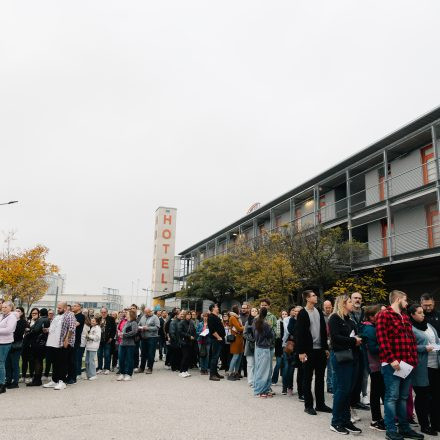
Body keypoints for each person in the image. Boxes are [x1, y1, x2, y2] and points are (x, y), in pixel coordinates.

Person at [376, 290, 423, 440]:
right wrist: (391, 359)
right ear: (397, 299)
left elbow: (411, 340)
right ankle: (391, 430)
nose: (407, 303)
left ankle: (404, 428)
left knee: (403, 397)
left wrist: (414, 360)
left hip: (407, 364)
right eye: (405, 299)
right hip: (392, 364)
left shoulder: (404, 316)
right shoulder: (384, 315)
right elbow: (382, 339)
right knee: (392, 397)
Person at [328, 294, 363, 435]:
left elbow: (356, 335)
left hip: (353, 357)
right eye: (349, 301)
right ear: (343, 303)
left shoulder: (350, 320)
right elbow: (335, 338)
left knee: (349, 390)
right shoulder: (334, 318)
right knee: (342, 390)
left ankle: (346, 420)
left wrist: (359, 339)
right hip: (341, 358)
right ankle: (335, 422)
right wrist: (353, 341)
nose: (352, 303)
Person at [296, 290, 332, 415]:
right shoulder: (302, 313)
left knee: (320, 378)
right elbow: (299, 334)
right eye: (313, 296)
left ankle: (320, 404)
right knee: (307, 378)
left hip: (320, 350)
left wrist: (326, 348)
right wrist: (301, 351)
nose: (315, 297)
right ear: (307, 298)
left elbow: (323, 331)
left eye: (315, 295)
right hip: (308, 351)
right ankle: (308, 405)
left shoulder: (318, 312)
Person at [409, 304, 440, 436]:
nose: (423, 315)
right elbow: (409, 347)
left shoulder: (429, 325)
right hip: (422, 368)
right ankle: (424, 425)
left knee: (436, 397)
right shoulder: (410, 328)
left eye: (423, 312)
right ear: (412, 315)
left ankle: (436, 423)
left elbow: (436, 340)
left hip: (435, 366)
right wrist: (423, 348)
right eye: (420, 312)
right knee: (423, 397)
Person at [361, 305, 386, 432]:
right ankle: (375, 420)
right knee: (376, 392)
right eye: (379, 314)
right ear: (371, 317)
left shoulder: (373, 327)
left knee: (380, 391)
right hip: (374, 365)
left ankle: (379, 418)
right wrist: (387, 345)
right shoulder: (369, 329)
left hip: (378, 365)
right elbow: (373, 349)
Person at [43, 302, 76, 391]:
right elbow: (53, 328)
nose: (58, 309)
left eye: (60, 308)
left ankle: (62, 382)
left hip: (63, 343)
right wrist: (47, 329)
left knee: (63, 362)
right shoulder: (57, 317)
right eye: (58, 308)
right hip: (53, 344)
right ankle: (54, 380)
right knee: (55, 362)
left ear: (65, 308)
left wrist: (67, 340)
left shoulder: (70, 315)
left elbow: (72, 328)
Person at [349, 292, 369, 410]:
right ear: (351, 300)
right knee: (353, 375)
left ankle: (358, 399)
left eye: (359, 298)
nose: (357, 300)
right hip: (351, 347)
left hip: (363, 347)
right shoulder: (347, 313)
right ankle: (351, 401)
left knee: (362, 373)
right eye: (355, 298)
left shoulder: (365, 313)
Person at [253, 308, 274, 398]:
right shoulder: (265, 324)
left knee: (260, 370)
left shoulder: (256, 322)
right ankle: (260, 391)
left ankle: (262, 389)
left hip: (258, 347)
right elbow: (271, 335)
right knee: (264, 371)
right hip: (264, 348)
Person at [26, 308, 50, 387]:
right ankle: (37, 379)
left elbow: (35, 330)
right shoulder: (47, 320)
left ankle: (37, 380)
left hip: (37, 343)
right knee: (39, 361)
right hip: (43, 343)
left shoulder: (41, 320)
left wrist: (29, 331)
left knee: (37, 361)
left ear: (40, 313)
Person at [5, 306, 26, 389]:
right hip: (8, 344)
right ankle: (8, 380)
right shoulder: (11, 320)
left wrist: (9, 332)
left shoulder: (22, 322)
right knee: (7, 364)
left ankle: (15, 382)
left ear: (22, 313)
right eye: (16, 310)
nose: (17, 312)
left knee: (15, 364)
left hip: (16, 346)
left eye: (19, 311)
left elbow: (18, 334)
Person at [0, 301, 18, 394]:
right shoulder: (2, 316)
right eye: (2, 307)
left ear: (11, 308)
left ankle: (2, 385)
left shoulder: (12, 317)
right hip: (1, 341)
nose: (3, 308)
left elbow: (9, 330)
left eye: (5, 307)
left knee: (1, 363)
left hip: (5, 343)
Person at [117, 309, 138, 381]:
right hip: (122, 343)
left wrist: (124, 334)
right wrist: (120, 334)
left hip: (130, 344)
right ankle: (122, 373)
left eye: (127, 313)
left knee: (129, 359)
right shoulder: (126, 322)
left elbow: (134, 332)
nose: (126, 314)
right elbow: (123, 331)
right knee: (121, 359)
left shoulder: (134, 322)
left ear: (131, 315)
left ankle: (129, 374)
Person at [138, 307, 160, 374]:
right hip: (144, 338)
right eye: (145, 312)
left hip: (152, 338)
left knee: (151, 353)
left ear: (150, 311)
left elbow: (157, 327)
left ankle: (150, 368)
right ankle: (142, 368)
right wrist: (140, 328)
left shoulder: (155, 317)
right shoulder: (143, 317)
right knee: (143, 353)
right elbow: (139, 324)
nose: (146, 314)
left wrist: (148, 328)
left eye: (147, 312)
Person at [207, 303, 225, 381]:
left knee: (217, 357)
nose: (218, 308)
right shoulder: (211, 317)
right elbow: (212, 330)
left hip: (219, 339)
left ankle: (215, 373)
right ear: (213, 308)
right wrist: (218, 337)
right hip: (216, 340)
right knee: (214, 357)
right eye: (216, 307)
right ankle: (212, 375)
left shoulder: (216, 317)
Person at [97, 307, 116, 375]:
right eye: (102, 312)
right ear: (100, 313)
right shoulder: (98, 319)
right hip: (99, 340)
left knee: (107, 354)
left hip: (107, 340)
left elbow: (114, 329)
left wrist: (111, 337)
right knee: (99, 354)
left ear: (107, 312)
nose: (103, 313)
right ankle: (99, 368)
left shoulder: (111, 319)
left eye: (105, 312)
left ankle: (107, 368)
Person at [227, 305, 244, 381]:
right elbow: (239, 328)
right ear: (235, 310)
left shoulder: (237, 317)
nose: (239, 310)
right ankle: (230, 373)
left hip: (240, 339)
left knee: (239, 357)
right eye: (238, 309)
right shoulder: (233, 318)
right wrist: (245, 327)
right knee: (235, 357)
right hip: (236, 339)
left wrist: (242, 328)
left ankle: (236, 373)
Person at [22, 308, 38, 383]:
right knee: (24, 360)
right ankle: (23, 376)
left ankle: (31, 376)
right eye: (32, 313)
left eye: (35, 313)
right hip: (25, 343)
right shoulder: (28, 320)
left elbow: (34, 331)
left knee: (32, 361)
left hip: (33, 344)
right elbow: (25, 329)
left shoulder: (39, 321)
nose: (34, 315)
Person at [178, 310, 196, 377]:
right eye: (188, 314)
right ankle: (181, 371)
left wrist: (194, 336)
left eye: (190, 314)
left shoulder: (191, 322)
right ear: (185, 315)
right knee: (185, 356)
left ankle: (185, 370)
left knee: (188, 357)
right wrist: (189, 336)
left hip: (190, 342)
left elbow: (194, 330)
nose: (189, 315)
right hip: (184, 342)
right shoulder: (182, 322)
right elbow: (180, 332)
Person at [272, 310, 287, 386]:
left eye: (285, 314)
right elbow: (277, 338)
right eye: (283, 314)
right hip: (279, 346)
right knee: (278, 364)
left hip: (286, 347)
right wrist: (279, 349)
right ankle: (274, 380)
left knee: (284, 364)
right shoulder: (278, 323)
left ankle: (284, 379)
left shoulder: (288, 323)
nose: (284, 315)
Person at [71, 303, 85, 382]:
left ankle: (74, 377)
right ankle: (70, 375)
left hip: (76, 340)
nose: (73, 307)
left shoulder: (81, 316)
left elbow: (75, 324)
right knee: (70, 358)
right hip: (70, 339)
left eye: (75, 306)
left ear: (79, 307)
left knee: (74, 359)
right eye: (73, 305)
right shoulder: (73, 315)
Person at [244, 307, 258, 386]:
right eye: (252, 311)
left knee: (257, 364)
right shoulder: (247, 323)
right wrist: (251, 339)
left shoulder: (259, 322)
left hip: (258, 345)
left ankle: (256, 380)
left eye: (256, 311)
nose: (254, 312)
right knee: (250, 364)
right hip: (249, 345)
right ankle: (250, 381)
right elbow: (245, 333)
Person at [323, 300, 334, 393]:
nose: (327, 309)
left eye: (329, 307)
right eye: (326, 307)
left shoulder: (334, 316)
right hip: (323, 345)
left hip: (331, 345)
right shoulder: (320, 317)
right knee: (322, 367)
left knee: (331, 367)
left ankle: (330, 385)